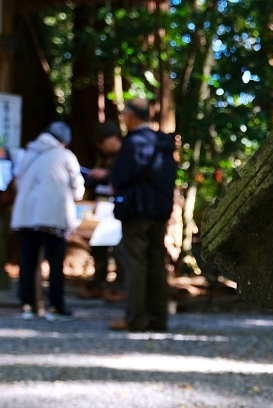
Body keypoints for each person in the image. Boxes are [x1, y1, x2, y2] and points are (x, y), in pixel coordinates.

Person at [108, 98, 177, 332]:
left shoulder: (134, 142)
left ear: (129, 116)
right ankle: (158, 318)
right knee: (157, 263)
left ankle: (136, 318)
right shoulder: (163, 142)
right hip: (160, 211)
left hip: (136, 210)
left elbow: (120, 177)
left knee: (136, 263)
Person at [10, 122, 84, 320]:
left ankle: (28, 305)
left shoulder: (28, 154)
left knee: (28, 260)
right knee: (55, 261)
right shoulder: (65, 156)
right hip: (53, 216)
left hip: (25, 216)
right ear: (63, 141)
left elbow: (18, 182)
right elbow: (78, 189)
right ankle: (55, 306)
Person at [81, 121, 126, 302]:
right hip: (103, 206)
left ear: (113, 138)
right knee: (98, 246)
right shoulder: (105, 158)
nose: (100, 146)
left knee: (120, 249)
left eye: (102, 142)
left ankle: (122, 287)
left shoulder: (127, 154)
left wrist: (106, 175)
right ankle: (99, 284)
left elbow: (127, 178)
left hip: (120, 207)